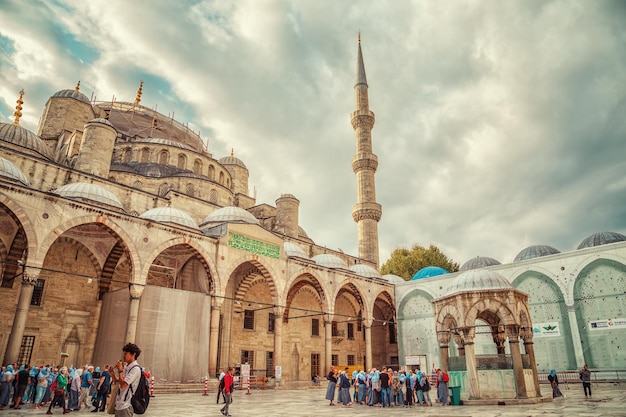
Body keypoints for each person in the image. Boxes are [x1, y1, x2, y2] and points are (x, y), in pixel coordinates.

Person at [112, 343, 142, 417]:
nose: (123, 356)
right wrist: (112, 373)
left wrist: (120, 370)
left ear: (133, 354)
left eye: (126, 353)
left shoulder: (135, 369)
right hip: (119, 404)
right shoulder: (126, 366)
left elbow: (123, 385)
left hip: (126, 405)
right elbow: (118, 381)